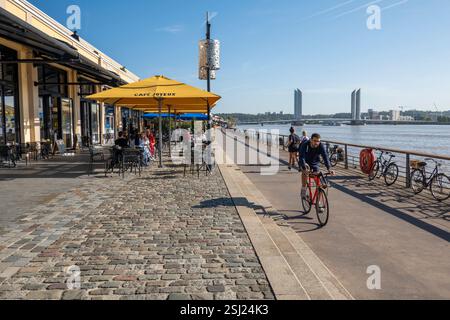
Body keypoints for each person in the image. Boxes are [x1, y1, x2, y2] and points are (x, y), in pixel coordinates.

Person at [299, 133, 335, 199]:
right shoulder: (305, 145)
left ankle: (319, 203)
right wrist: (304, 165)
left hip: (314, 163)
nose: (316, 143)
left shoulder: (320, 146)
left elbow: (325, 156)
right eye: (315, 141)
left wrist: (329, 168)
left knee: (321, 185)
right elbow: (302, 157)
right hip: (305, 161)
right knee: (304, 172)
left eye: (318, 141)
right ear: (311, 140)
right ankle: (303, 189)